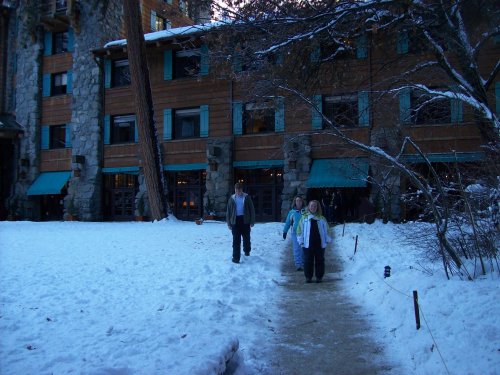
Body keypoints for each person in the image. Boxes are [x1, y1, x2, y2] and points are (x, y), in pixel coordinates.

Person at [297, 200, 332, 283]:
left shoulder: (322, 218)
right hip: (307, 244)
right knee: (308, 260)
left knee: (320, 260)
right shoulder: (304, 218)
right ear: (309, 207)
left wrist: (327, 240)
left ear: (317, 207)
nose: (313, 207)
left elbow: (327, 230)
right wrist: (300, 241)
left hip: (319, 243)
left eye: (315, 206)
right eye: (312, 206)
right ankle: (308, 277)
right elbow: (299, 230)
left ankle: (319, 277)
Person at [226, 182, 256, 263]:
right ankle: (236, 258)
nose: (238, 191)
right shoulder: (231, 198)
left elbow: (252, 210)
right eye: (236, 189)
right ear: (235, 190)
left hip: (245, 220)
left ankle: (247, 251)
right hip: (235, 221)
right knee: (236, 240)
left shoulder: (246, 197)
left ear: (242, 190)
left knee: (246, 238)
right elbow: (228, 211)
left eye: (239, 189)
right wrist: (229, 223)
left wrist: (252, 221)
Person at [283, 196, 306, 271]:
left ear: (302, 202)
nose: (298, 202)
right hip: (295, 233)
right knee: (296, 248)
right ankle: (298, 264)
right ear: (295, 202)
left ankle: (303, 263)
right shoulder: (292, 212)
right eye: (297, 201)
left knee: (303, 248)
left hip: (304, 232)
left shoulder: (306, 211)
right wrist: (285, 231)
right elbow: (288, 222)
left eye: (300, 201)